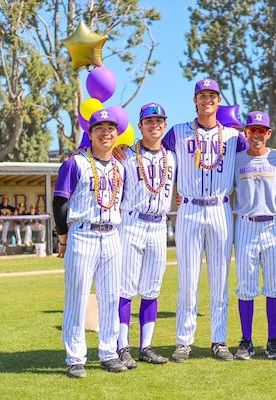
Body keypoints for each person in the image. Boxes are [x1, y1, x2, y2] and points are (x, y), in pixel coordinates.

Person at [162, 78, 248, 362]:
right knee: (188, 279)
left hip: (220, 208)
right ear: (195, 100)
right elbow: (154, 155)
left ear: (219, 100)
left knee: (220, 278)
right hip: (188, 208)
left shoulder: (234, 137)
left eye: (213, 95)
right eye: (203, 95)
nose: (208, 99)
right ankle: (184, 341)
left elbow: (258, 156)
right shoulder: (177, 132)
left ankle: (218, 340)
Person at [52, 108, 128, 378]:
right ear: (90, 133)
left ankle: (108, 352)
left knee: (110, 298)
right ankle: (75, 358)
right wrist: (63, 237)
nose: (105, 132)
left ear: (116, 134)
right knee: (78, 297)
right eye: (99, 128)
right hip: (82, 234)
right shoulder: (76, 163)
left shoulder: (120, 167)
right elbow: (60, 202)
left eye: (110, 128)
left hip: (111, 235)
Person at [116, 103, 176, 368]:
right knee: (125, 288)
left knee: (152, 288)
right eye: (149, 121)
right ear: (140, 126)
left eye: (159, 121)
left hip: (159, 225)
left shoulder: (172, 157)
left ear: (165, 125)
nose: (155, 125)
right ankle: (122, 347)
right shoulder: (125, 155)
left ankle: (146, 346)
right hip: (132, 223)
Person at [233, 111, 276, 360]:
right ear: (246, 132)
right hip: (245, 224)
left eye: (261, 130)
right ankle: (246, 340)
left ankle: (273, 339)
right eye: (252, 130)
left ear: (268, 133)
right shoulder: (235, 160)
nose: (256, 134)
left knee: (274, 286)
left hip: (274, 224)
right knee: (246, 287)